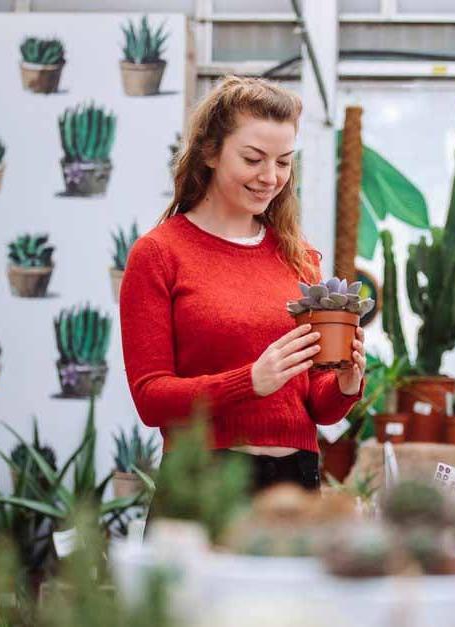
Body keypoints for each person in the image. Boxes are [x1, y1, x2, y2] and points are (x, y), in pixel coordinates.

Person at [119, 75, 365, 495]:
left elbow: (315, 407)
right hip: (204, 484)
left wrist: (345, 384)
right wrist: (249, 381)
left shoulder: (299, 257)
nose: (270, 177)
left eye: (284, 162)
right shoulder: (159, 253)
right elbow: (151, 398)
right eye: (253, 159)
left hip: (295, 485)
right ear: (211, 152)